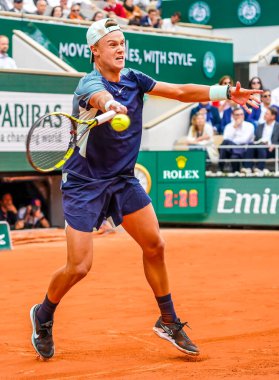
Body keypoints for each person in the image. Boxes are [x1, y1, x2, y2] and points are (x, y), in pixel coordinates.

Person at [29, 17, 262, 361]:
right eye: (112, 44)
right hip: (85, 183)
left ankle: (168, 320)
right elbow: (98, 96)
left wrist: (225, 93)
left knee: (155, 244)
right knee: (79, 267)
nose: (120, 49)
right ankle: (44, 314)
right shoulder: (88, 84)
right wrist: (109, 105)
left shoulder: (135, 79)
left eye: (123, 43)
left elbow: (180, 92)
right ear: (94, 51)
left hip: (122, 180)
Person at [242, 106, 279, 174]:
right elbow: (256, 139)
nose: (264, 115)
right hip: (260, 147)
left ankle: (260, 168)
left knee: (261, 145)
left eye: (267, 114)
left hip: (272, 150)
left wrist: (274, 145)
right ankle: (247, 168)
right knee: (251, 145)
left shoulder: (278, 127)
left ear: (273, 116)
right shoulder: (260, 126)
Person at [218, 107, 254, 172]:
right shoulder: (228, 126)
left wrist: (233, 142)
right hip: (230, 150)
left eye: (241, 114)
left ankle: (220, 168)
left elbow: (245, 140)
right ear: (232, 116)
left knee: (229, 149)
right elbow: (225, 139)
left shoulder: (249, 125)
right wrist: (235, 127)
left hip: (244, 149)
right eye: (237, 115)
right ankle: (235, 173)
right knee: (233, 154)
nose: (240, 116)